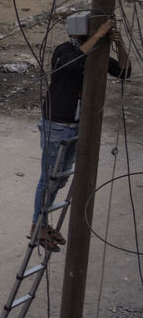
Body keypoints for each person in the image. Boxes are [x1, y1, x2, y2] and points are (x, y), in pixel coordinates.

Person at [30, 13, 131, 248]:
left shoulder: (96, 53)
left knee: (61, 179)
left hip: (78, 125)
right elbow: (71, 63)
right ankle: (38, 225)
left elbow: (124, 71)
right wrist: (98, 35)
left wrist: (118, 43)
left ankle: (43, 223)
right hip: (57, 124)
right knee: (49, 179)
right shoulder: (63, 50)